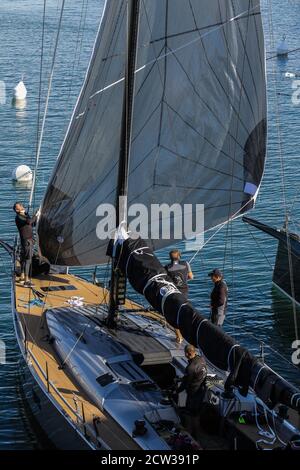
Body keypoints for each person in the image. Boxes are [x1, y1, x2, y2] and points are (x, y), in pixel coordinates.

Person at [165, 249, 193, 343]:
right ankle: (187, 334)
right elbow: (191, 277)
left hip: (174, 293)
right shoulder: (186, 264)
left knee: (174, 314)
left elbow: (166, 281)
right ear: (179, 256)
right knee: (183, 313)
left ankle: (179, 337)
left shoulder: (167, 268)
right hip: (185, 293)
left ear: (170, 258)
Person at [13, 202, 39, 287]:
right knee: (28, 260)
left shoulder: (24, 216)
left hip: (28, 240)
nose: (21, 207)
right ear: (17, 210)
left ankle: (22, 276)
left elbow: (32, 224)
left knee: (24, 259)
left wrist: (29, 215)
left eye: (21, 205)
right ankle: (27, 281)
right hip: (26, 241)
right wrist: (36, 214)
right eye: (19, 207)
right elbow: (29, 221)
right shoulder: (19, 217)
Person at [177, 344, 207, 414]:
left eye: (185, 352)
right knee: (197, 412)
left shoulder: (190, 368)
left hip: (193, 393)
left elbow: (185, 384)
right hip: (202, 390)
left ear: (188, 354)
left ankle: (190, 422)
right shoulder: (202, 359)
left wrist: (176, 391)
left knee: (191, 414)